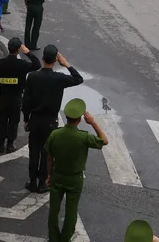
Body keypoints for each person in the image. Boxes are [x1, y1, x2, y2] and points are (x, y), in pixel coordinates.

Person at [45, 98, 109, 242]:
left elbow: (49, 157)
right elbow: (104, 141)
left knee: (53, 211)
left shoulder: (55, 134)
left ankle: (53, 239)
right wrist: (93, 122)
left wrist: (49, 175)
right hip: (75, 179)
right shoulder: (84, 137)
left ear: (66, 117)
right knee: (71, 211)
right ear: (80, 119)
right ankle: (65, 239)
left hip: (58, 176)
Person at [22, 46, 84, 193]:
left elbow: (26, 101)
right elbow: (78, 79)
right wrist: (66, 64)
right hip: (50, 121)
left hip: (35, 120)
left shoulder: (32, 76)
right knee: (46, 152)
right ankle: (42, 182)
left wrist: (26, 119)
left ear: (43, 57)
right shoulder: (59, 78)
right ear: (56, 60)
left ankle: (32, 181)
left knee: (34, 151)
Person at [0, 37, 41, 153]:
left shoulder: (1, 63)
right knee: (14, 121)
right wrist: (28, 52)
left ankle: (0, 143)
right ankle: (10, 144)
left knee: (2, 120)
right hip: (16, 98)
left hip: (3, 97)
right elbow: (37, 64)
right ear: (18, 49)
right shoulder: (22, 64)